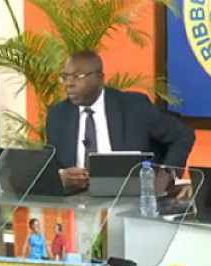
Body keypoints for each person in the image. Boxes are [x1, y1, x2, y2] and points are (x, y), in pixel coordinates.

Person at [46, 50, 195, 189]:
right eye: (65, 77)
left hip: (131, 198)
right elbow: (53, 165)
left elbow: (183, 135)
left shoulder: (133, 107)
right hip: (76, 202)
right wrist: (61, 177)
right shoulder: (58, 115)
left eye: (77, 76)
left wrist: (167, 174)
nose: (69, 83)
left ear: (99, 77)